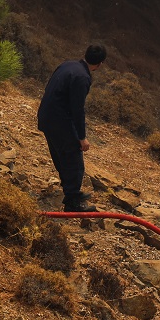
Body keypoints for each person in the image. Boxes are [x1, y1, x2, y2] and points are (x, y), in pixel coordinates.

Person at [37, 44, 107, 212]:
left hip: (46, 116)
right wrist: (82, 138)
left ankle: (71, 191)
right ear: (100, 64)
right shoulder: (82, 77)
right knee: (74, 159)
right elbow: (77, 110)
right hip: (59, 120)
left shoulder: (67, 65)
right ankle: (72, 202)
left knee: (61, 156)